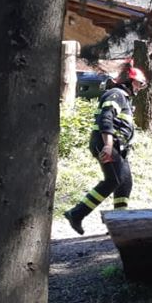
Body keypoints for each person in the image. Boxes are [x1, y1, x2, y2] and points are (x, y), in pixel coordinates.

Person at [63, 67, 147, 235]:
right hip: (106, 143)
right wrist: (108, 146)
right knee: (113, 180)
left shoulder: (123, 98)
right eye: (138, 83)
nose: (138, 87)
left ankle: (119, 222)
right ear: (129, 82)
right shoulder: (115, 94)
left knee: (125, 182)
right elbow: (105, 120)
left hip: (118, 147)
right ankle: (76, 213)